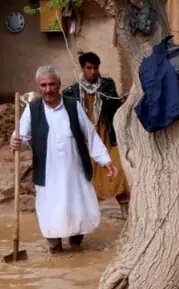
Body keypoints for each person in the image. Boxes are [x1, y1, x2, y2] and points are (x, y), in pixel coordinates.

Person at [10, 66, 118, 253]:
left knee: (77, 208)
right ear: (38, 87)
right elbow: (22, 140)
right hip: (48, 173)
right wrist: (16, 142)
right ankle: (55, 247)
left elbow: (90, 135)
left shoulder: (73, 105)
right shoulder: (32, 109)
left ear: (59, 85)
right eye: (44, 85)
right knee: (51, 210)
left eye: (52, 84)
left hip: (74, 171)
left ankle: (76, 245)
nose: (48, 89)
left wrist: (105, 161)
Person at [62, 52, 131, 219]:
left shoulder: (107, 86)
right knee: (88, 175)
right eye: (89, 68)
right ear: (82, 68)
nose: (93, 72)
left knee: (117, 170)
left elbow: (116, 109)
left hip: (107, 134)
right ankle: (90, 215)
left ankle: (125, 213)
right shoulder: (71, 91)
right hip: (85, 139)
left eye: (95, 68)